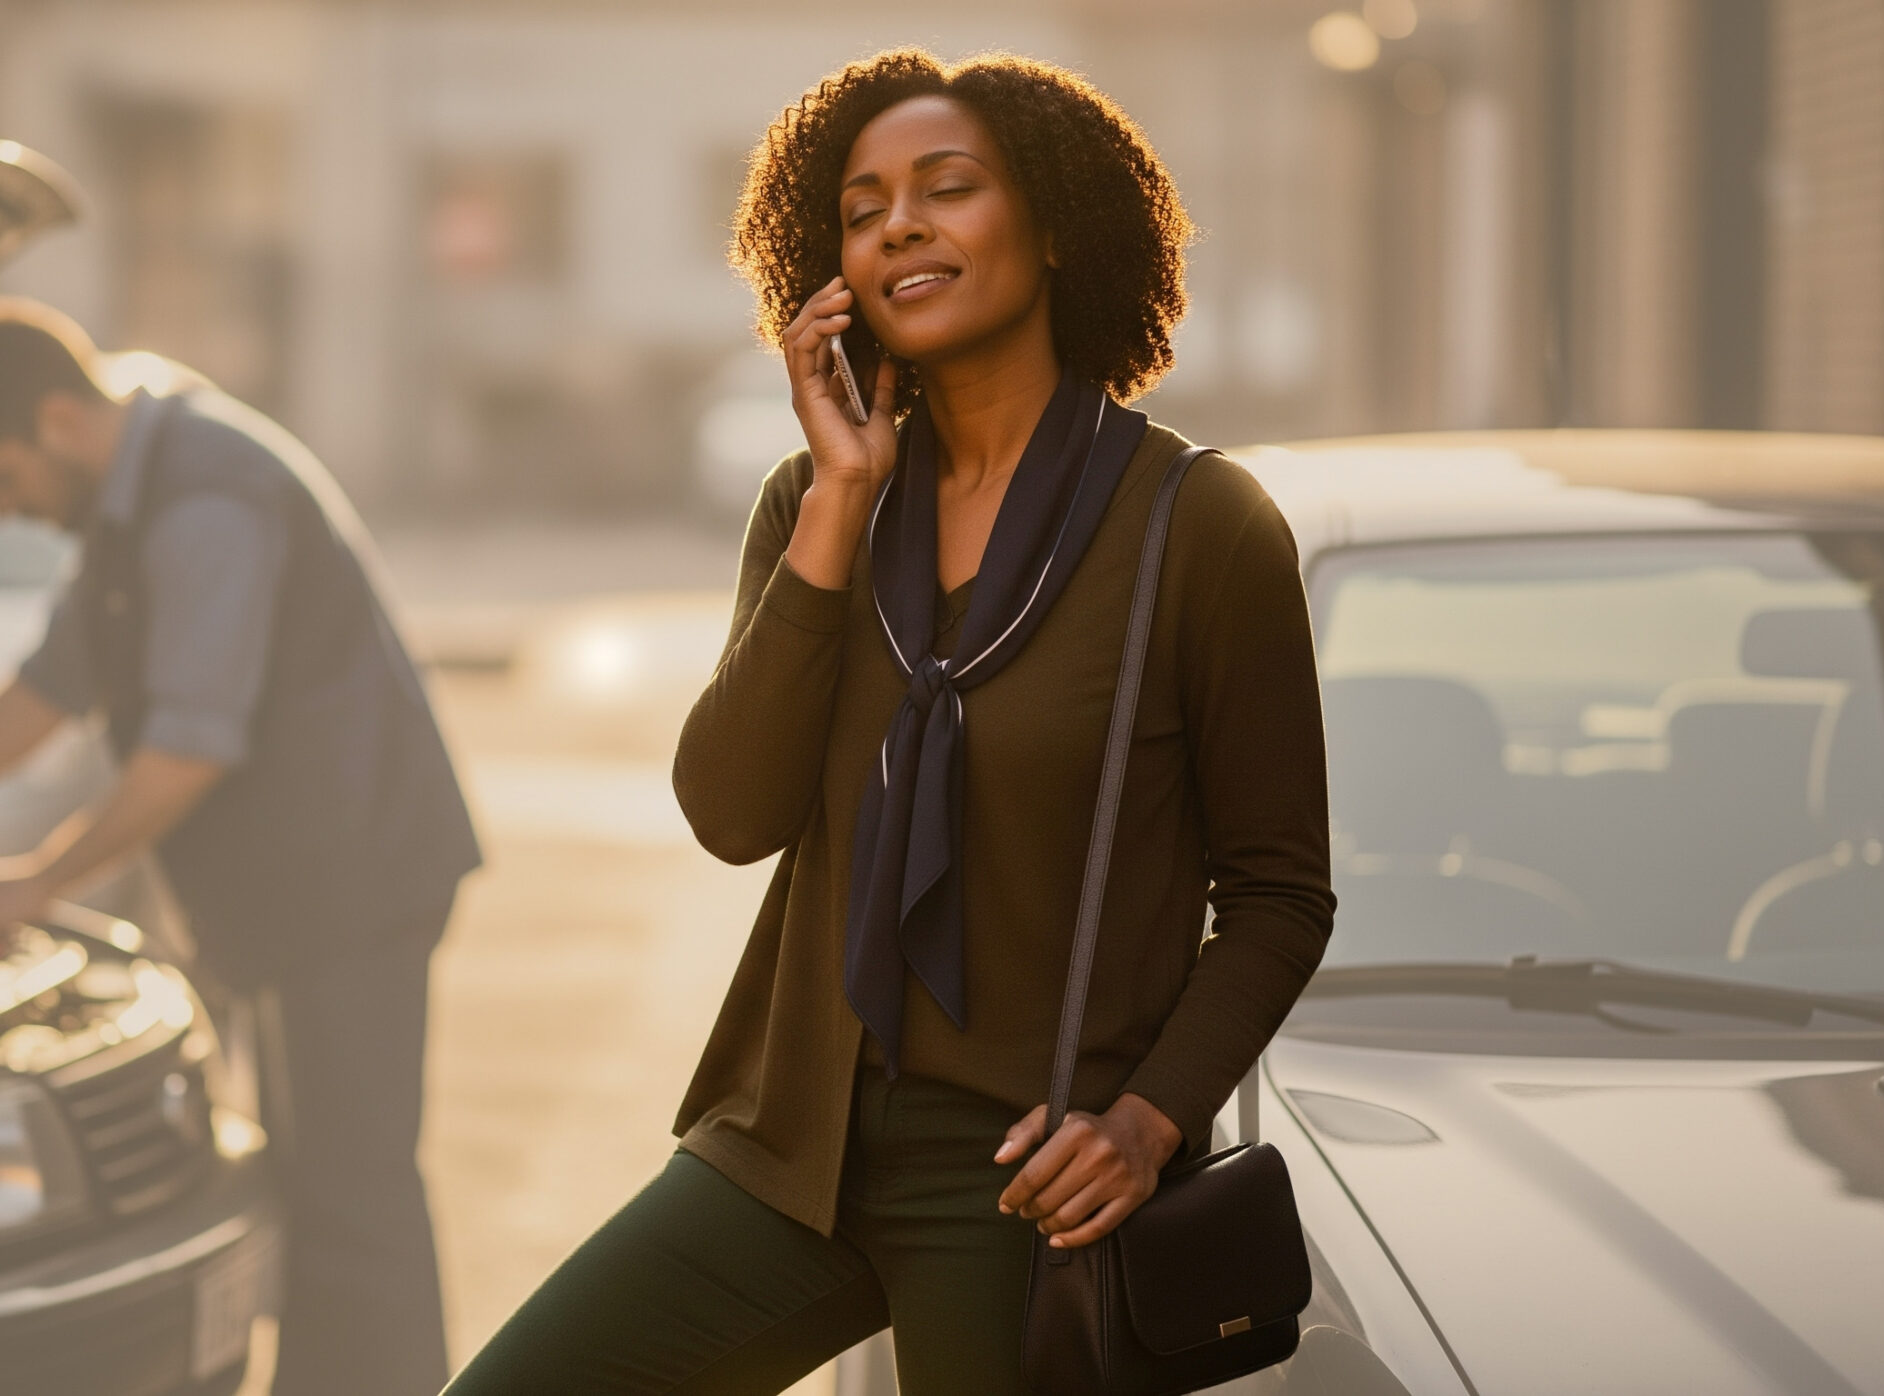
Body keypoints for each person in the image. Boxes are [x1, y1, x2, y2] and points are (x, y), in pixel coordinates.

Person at [445, 50, 1332, 1395]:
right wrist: (839, 502)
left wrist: (1148, 1125)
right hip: (787, 1148)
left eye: (948, 188)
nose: (898, 225)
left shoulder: (1195, 527)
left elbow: (1276, 895)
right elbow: (732, 815)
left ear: (1052, 226)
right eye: (861, 209)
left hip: (1023, 1182)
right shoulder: (814, 502)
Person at [0, 300, 479, 1395]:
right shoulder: (127, 503)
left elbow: (189, 747)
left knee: (353, 1201)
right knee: (306, 1189)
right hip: (296, 890)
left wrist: (43, 877)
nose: (2, 506)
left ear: (59, 419)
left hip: (352, 881)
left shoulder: (206, 500)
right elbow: (46, 690)